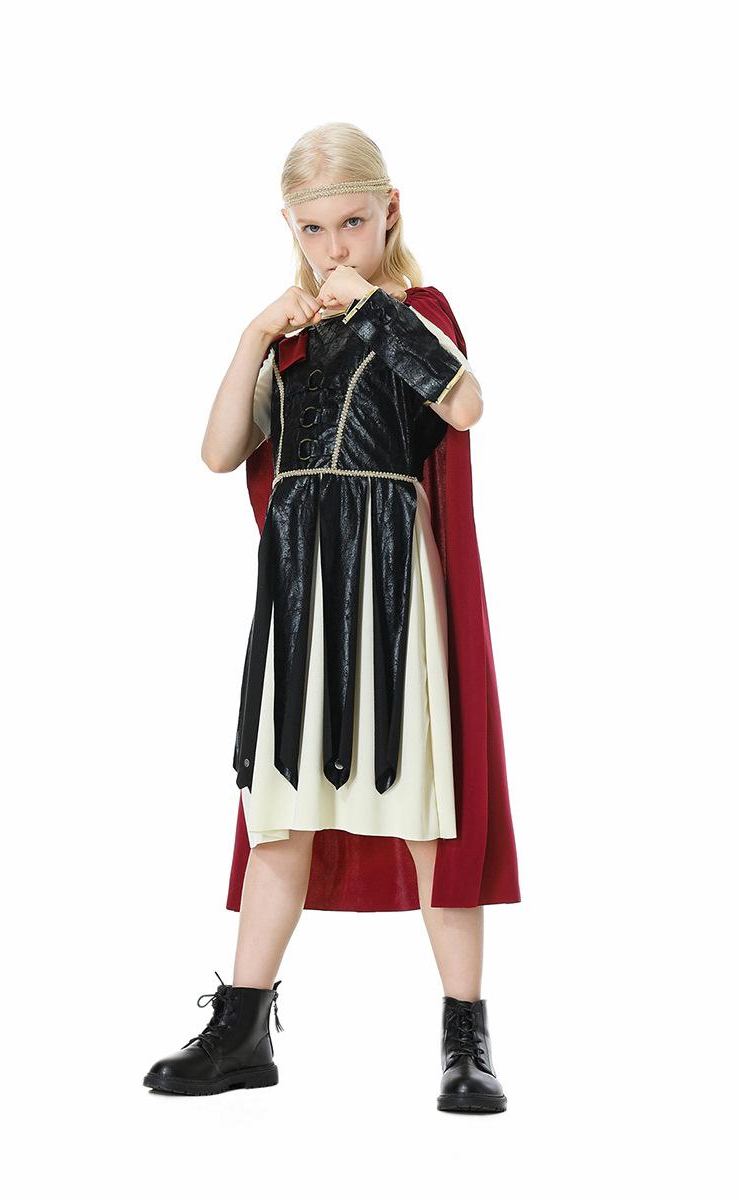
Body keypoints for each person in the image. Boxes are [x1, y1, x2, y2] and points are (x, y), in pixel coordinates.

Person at [143, 122, 521, 1113]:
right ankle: (242, 1027)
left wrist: (378, 308)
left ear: (389, 211)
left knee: (427, 810)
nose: (334, 245)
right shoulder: (292, 336)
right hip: (301, 597)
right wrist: (254, 334)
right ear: (290, 227)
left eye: (352, 221)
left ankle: (465, 1037)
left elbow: (466, 404)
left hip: (396, 595)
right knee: (279, 814)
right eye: (314, 229)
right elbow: (220, 451)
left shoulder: (418, 313)